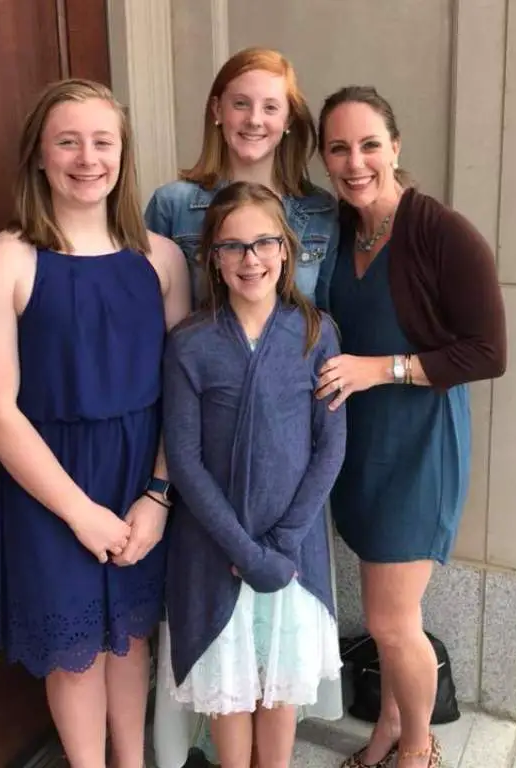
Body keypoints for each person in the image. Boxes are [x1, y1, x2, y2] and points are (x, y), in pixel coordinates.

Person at [0, 78, 190, 768]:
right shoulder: (0, 262)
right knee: (77, 653)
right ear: (39, 155)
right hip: (49, 485)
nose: (87, 158)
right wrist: (80, 512)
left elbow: (182, 394)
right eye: (68, 141)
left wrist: (157, 495)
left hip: (142, 472)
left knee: (131, 637)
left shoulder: (162, 258)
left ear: (122, 154)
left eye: (102, 141)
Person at [315, 86, 507, 768]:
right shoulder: (336, 230)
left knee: (392, 622)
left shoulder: (439, 232)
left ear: (396, 146)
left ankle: (418, 751)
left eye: (369, 144)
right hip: (359, 449)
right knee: (391, 620)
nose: (355, 160)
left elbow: (488, 352)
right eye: (338, 147)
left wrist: (380, 370)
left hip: (420, 445)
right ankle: (388, 728)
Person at [158, 182, 346, 768]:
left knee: (279, 684)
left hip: (291, 548)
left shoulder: (316, 332)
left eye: (264, 242)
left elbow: (330, 447)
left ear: (286, 250)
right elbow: (184, 459)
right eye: (233, 246)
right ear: (211, 257)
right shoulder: (190, 343)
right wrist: (243, 548)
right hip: (217, 549)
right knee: (232, 690)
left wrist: (281, 546)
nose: (250, 258)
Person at [144, 46, 338, 310]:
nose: (254, 120)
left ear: (288, 119)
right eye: (240, 104)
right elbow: (147, 314)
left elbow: (328, 317)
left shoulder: (321, 209)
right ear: (217, 110)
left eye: (270, 107)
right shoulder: (171, 206)